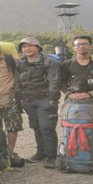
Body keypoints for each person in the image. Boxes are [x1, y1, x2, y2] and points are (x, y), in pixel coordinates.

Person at [14, 36, 61, 168]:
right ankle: (41, 153)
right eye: (24, 46)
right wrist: (20, 99)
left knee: (47, 128)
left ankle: (52, 157)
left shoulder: (49, 62)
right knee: (36, 127)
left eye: (30, 45)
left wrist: (53, 99)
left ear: (38, 47)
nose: (27, 48)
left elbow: (54, 81)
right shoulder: (20, 63)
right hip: (28, 100)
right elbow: (17, 81)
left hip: (45, 100)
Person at [60, 34, 93, 131]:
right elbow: (62, 82)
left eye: (85, 44)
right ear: (73, 48)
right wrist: (68, 94)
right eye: (78, 44)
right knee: (73, 127)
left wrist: (90, 94)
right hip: (73, 101)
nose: (81, 46)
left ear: (91, 46)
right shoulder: (67, 64)